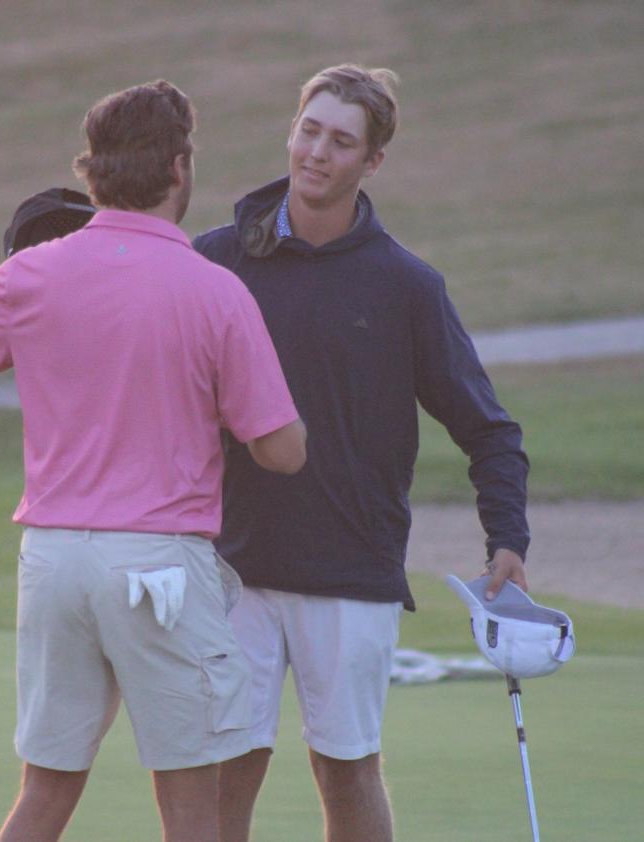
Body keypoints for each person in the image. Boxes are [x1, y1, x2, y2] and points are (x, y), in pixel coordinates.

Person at [0, 79, 307, 842]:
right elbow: (281, 451)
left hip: (53, 562)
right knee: (191, 798)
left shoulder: (32, 273)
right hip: (158, 565)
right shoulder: (214, 289)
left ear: (93, 174)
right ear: (180, 168)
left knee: (47, 789)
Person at [193, 64, 530, 842]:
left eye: (341, 141)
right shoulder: (216, 261)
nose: (317, 152)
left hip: (351, 568)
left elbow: (489, 429)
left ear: (371, 162)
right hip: (229, 567)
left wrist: (507, 538)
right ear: (291, 130)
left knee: (346, 770)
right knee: (220, 769)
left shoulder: (405, 286)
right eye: (309, 130)